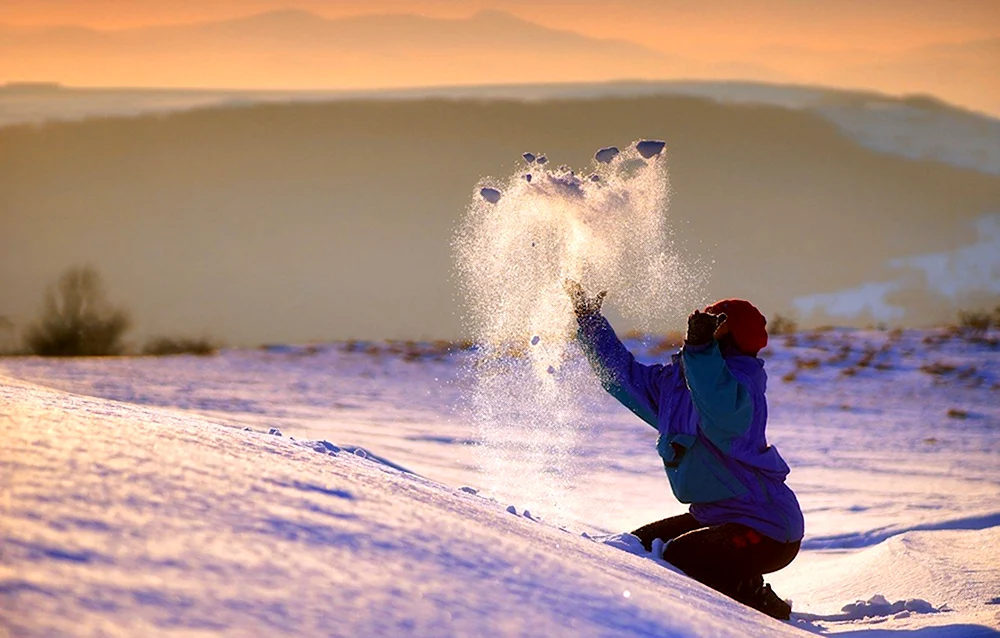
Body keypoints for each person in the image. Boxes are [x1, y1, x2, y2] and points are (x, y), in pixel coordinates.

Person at [565, 280, 804, 620]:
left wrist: (700, 351)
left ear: (727, 335)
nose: (699, 325)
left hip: (769, 529)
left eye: (713, 323)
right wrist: (590, 322)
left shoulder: (742, 388)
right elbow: (621, 378)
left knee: (683, 556)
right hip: (720, 517)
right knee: (636, 548)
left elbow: (717, 406)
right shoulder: (676, 385)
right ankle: (741, 578)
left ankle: (753, 612)